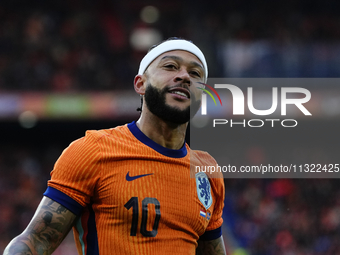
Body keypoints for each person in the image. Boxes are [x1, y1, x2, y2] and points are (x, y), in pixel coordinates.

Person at [3, 38, 226, 255]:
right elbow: (36, 241)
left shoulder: (208, 171)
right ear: (141, 84)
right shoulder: (93, 150)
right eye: (170, 66)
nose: (185, 76)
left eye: (196, 74)